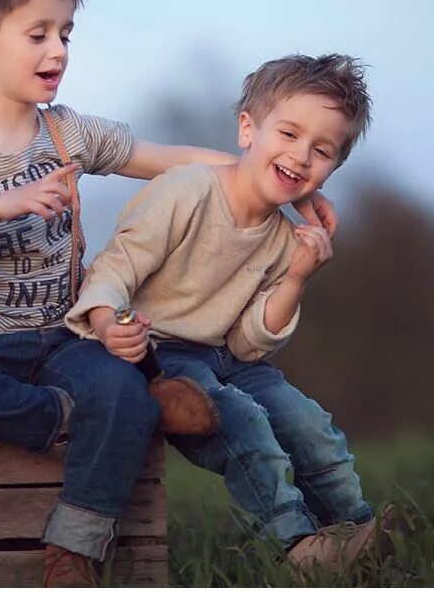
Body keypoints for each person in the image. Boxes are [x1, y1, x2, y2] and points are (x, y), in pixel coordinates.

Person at [0, 0, 337, 587]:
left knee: (127, 386)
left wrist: (283, 187)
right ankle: (72, 413)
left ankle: (75, 548)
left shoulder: (69, 132)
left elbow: (172, 159)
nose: (60, 49)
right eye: (39, 34)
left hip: (68, 338)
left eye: (66, 34)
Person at [66, 54, 399, 574]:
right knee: (243, 421)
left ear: (333, 167)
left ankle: (360, 531)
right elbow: (119, 264)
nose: (300, 156)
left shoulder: (287, 239)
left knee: (309, 425)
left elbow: (248, 345)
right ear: (248, 128)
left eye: (321, 151)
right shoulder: (188, 191)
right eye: (288, 134)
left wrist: (295, 278)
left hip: (229, 359)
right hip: (162, 355)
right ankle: (299, 549)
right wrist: (107, 320)